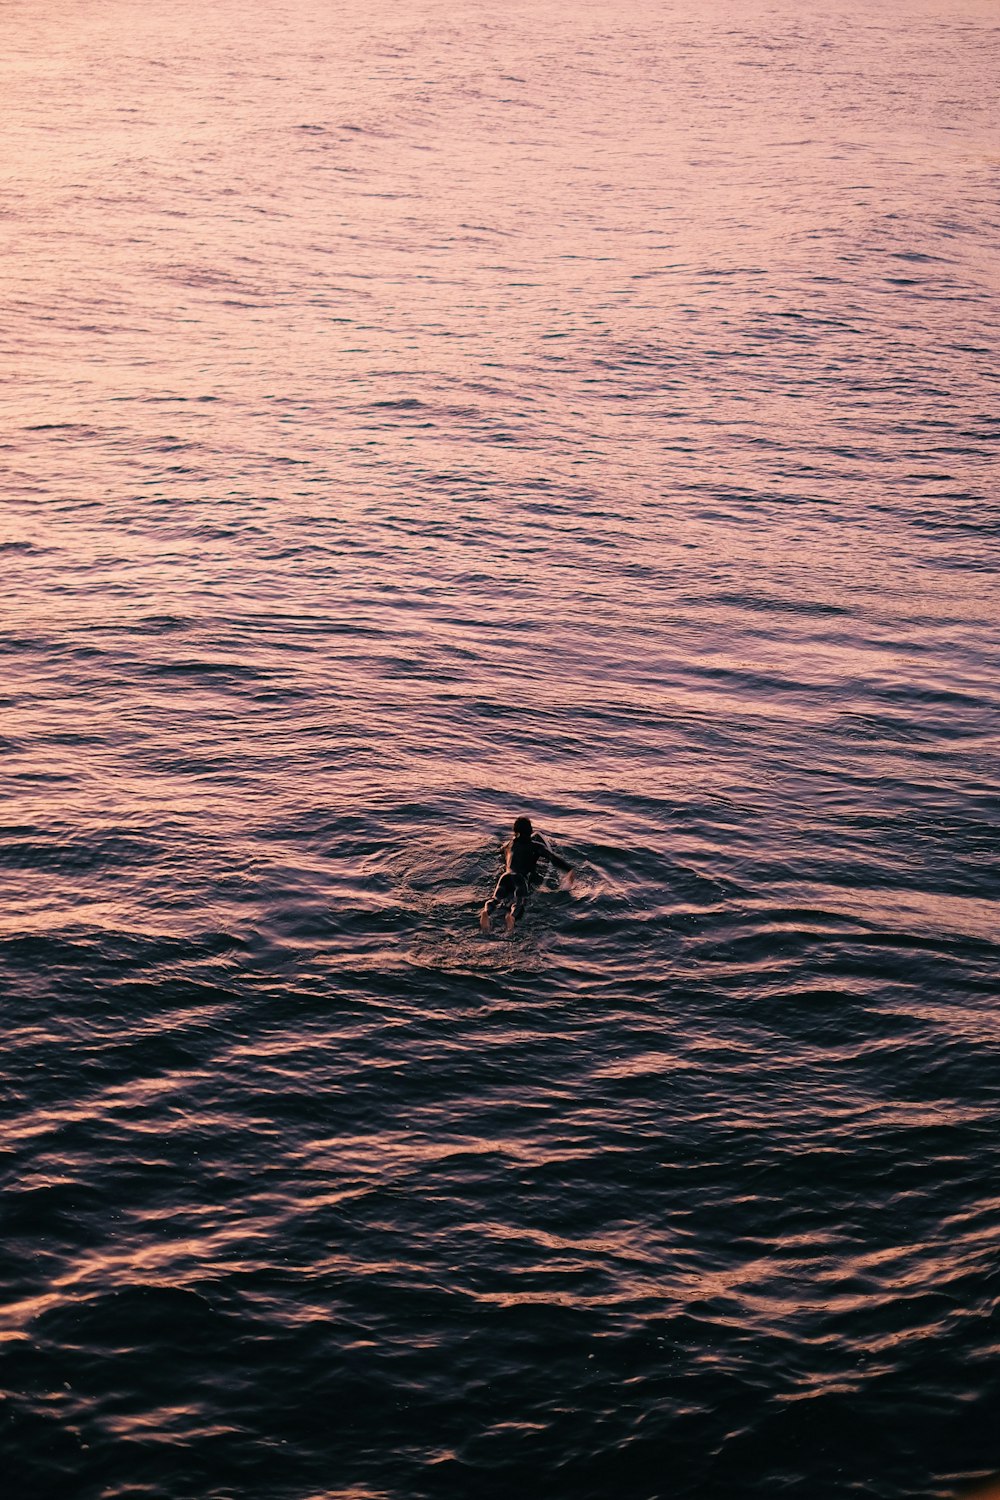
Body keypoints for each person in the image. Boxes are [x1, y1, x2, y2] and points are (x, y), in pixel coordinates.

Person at [480, 816, 575, 933]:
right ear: (530, 831)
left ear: (515, 832)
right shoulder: (535, 846)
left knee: (495, 899)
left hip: (505, 876)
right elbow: (553, 858)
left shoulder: (509, 845)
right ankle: (511, 917)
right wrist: (569, 869)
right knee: (519, 902)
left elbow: (499, 850)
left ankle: (486, 912)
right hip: (520, 878)